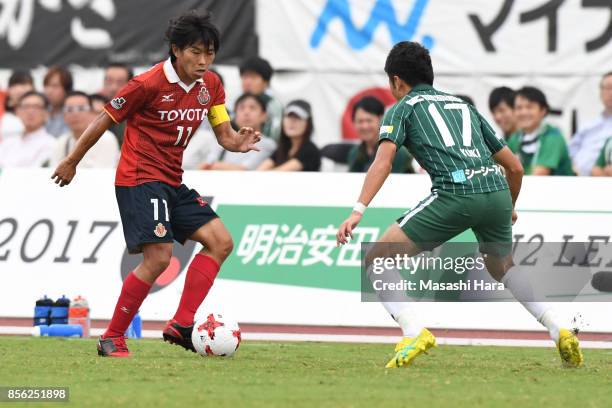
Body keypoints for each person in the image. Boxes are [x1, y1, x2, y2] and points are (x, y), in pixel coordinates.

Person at [336, 41, 582, 369]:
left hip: (456, 192)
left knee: (377, 258)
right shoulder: (463, 106)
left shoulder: (403, 108)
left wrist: (358, 209)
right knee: (501, 267)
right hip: (495, 189)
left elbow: (383, 162)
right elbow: (515, 167)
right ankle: (558, 328)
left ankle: (413, 331)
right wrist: (507, 205)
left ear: (396, 81)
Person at [51, 10, 261, 357]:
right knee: (159, 258)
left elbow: (224, 133)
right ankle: (112, 337)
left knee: (220, 242)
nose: (204, 61)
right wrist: (72, 161)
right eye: (196, 52)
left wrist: (237, 142)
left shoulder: (211, 86)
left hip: (172, 181)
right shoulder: (147, 83)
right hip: (139, 179)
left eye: (210, 53)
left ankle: (181, 322)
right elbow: (105, 118)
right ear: (176, 50)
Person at [507, 87, 574, 176]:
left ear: (543, 111)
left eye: (529, 107)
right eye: (519, 108)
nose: (523, 112)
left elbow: (539, 175)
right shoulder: (515, 138)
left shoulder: (553, 136)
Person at [200, 92, 276, 170]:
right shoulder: (224, 138)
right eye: (241, 108)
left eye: (252, 108)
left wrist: (215, 166)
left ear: (264, 115)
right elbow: (206, 165)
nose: (246, 112)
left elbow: (246, 170)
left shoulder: (268, 144)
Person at [49, 91, 119, 168]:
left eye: (81, 108)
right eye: (69, 109)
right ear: (64, 116)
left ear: (91, 113)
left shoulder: (106, 138)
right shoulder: (61, 142)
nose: (75, 113)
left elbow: (103, 174)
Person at [347, 96, 413, 173]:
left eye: (369, 121)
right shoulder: (354, 153)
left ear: (381, 120)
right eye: (360, 121)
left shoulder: (396, 151)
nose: (364, 126)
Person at [257, 100, 321, 171]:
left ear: (308, 123)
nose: (292, 121)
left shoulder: (310, 150)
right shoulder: (283, 148)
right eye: (289, 116)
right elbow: (260, 171)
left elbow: (278, 174)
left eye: (298, 117)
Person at [569, 72, 612, 176]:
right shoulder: (588, 126)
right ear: (600, 92)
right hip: (579, 181)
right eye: (608, 88)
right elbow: (570, 154)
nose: (611, 92)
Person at [0, 91, 54, 168]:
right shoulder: (8, 142)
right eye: (26, 107)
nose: (30, 111)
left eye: (36, 107)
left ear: (46, 113)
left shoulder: (51, 144)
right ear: (17, 112)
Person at [239, 56, 283, 141]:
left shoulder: (273, 105)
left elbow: (274, 137)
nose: (247, 82)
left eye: (253, 77)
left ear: (266, 82)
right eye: (244, 77)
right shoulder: (236, 102)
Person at [0, 71, 34, 141]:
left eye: (23, 85)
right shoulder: (3, 111)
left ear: (33, 88)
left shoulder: (40, 110)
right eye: (14, 86)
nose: (19, 89)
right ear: (8, 89)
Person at [43, 66, 72, 137]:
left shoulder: (72, 112)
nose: (49, 91)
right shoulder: (41, 110)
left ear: (66, 90)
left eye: (55, 86)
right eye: (46, 85)